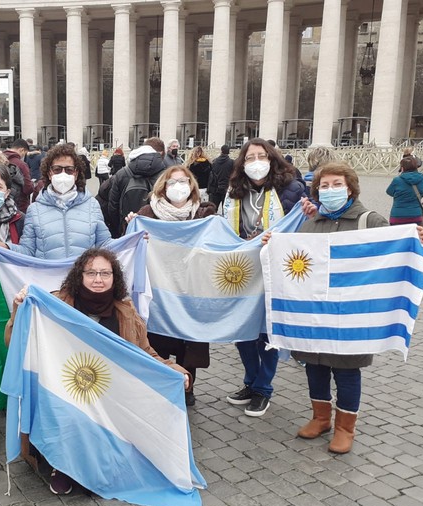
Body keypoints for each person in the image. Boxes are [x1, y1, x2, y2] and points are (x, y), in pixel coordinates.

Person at [265, 161, 423, 453]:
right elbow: (291, 262)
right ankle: (321, 418)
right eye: (324, 186)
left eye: (337, 184)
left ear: (350, 187)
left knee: (346, 371)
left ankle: (345, 427)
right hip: (316, 314)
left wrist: (416, 241)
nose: (330, 190)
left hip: (352, 315)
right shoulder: (310, 224)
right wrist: (272, 244)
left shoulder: (371, 220)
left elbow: (396, 248)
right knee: (314, 367)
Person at [5, 248, 192, 494]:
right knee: (69, 413)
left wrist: (174, 370)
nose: (98, 279)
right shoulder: (54, 304)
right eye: (91, 273)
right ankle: (62, 466)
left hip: (111, 390)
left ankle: (102, 463)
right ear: (79, 276)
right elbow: (16, 342)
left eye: (105, 273)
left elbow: (145, 353)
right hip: (64, 387)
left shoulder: (125, 312)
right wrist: (20, 308)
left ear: (115, 278)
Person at [222, 138, 300, 418]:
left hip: (274, 269)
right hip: (242, 268)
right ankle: (250, 381)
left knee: (267, 331)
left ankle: (264, 388)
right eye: (250, 157)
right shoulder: (234, 192)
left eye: (261, 156)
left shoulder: (290, 189)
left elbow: (301, 228)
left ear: (272, 158)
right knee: (242, 329)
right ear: (242, 164)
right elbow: (222, 225)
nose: (256, 162)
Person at [125, 166, 210, 407]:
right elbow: (131, 248)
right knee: (158, 339)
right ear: (163, 187)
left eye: (183, 181)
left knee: (190, 342)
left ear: (192, 186)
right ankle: (162, 384)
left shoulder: (205, 214)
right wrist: (132, 225)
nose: (178, 186)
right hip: (160, 291)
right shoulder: (147, 214)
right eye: (172, 183)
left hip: (192, 290)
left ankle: (188, 385)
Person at [0, 144, 110, 259]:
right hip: (48, 277)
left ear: (76, 173)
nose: (63, 174)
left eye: (69, 170)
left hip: (82, 277)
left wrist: (129, 230)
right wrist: (6, 247)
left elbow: (105, 246)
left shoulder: (92, 205)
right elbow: (27, 250)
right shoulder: (34, 210)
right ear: (49, 173)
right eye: (57, 169)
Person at [108, 137, 167, 237]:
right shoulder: (165, 175)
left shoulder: (122, 173)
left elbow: (113, 206)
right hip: (155, 232)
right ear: (160, 154)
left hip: (127, 228)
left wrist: (121, 228)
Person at [386, 157, 423, 226]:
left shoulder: (397, 180)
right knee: (415, 236)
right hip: (416, 215)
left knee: (397, 236)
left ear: (402, 168)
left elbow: (389, 192)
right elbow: (421, 193)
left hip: (398, 215)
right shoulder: (422, 179)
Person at [4, 139, 34, 212]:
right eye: (25, 153)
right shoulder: (21, 164)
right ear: (22, 150)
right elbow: (28, 189)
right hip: (19, 204)